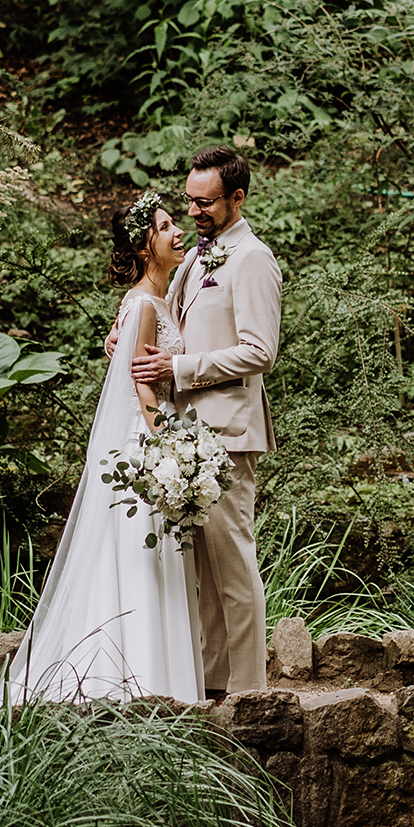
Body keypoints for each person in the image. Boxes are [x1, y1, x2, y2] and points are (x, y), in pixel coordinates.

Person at [5, 191, 204, 704]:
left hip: (155, 440)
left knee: (153, 557)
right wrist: (169, 447)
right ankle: (135, 680)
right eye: (164, 227)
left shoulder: (159, 295)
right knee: (140, 557)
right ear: (144, 246)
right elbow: (140, 385)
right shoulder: (142, 302)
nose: (177, 231)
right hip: (147, 447)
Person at [130, 145, 282, 698]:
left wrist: (181, 367)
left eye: (205, 202)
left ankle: (250, 693)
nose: (193, 211)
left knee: (235, 567)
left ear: (236, 197)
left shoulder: (253, 259)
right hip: (188, 437)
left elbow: (259, 351)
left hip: (231, 431)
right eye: (189, 200)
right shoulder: (196, 258)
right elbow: (168, 327)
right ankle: (215, 685)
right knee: (207, 576)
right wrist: (129, 343)